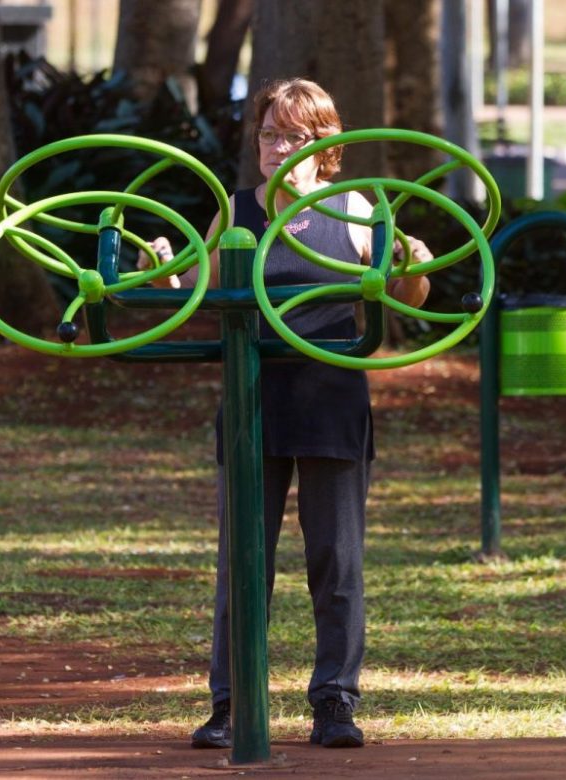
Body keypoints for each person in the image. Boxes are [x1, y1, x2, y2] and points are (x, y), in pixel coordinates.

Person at [138, 78, 432, 750]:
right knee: (243, 563)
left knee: (337, 562)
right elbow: (196, 291)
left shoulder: (354, 208)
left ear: (324, 145)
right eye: (268, 134)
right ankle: (231, 703)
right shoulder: (237, 210)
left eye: (292, 136)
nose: (276, 147)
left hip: (332, 399)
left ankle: (335, 702)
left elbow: (404, 293)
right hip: (253, 401)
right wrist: (162, 270)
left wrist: (413, 263)